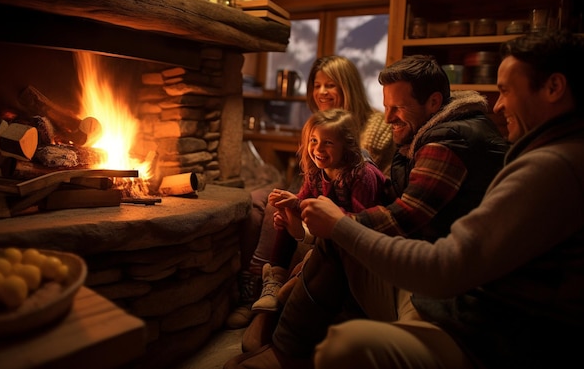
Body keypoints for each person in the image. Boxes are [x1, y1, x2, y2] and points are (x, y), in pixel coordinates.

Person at [233, 29, 584, 369]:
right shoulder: (531, 151)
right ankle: (276, 330)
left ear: (554, 87)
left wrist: (336, 225)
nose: (499, 103)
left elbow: (417, 235)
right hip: (465, 304)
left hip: (478, 324)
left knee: (342, 295)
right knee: (304, 221)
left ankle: (282, 346)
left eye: (506, 90)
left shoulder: (529, 160)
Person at [227, 56, 396, 328]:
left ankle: (262, 300)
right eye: (317, 85)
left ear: (348, 87)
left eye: (331, 85)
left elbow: (354, 179)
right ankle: (255, 285)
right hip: (320, 188)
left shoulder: (373, 127)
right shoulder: (318, 123)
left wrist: (299, 206)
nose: (321, 92)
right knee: (257, 200)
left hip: (350, 202)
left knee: (276, 207)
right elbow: (314, 171)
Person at [252, 108, 389, 313]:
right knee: (285, 208)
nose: (318, 149)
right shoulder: (316, 172)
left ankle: (295, 286)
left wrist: (299, 208)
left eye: (328, 142)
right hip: (330, 227)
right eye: (313, 140)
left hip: (361, 239)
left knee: (296, 208)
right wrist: (291, 209)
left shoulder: (362, 174)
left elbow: (359, 222)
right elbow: (304, 201)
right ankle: (276, 277)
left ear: (347, 146)